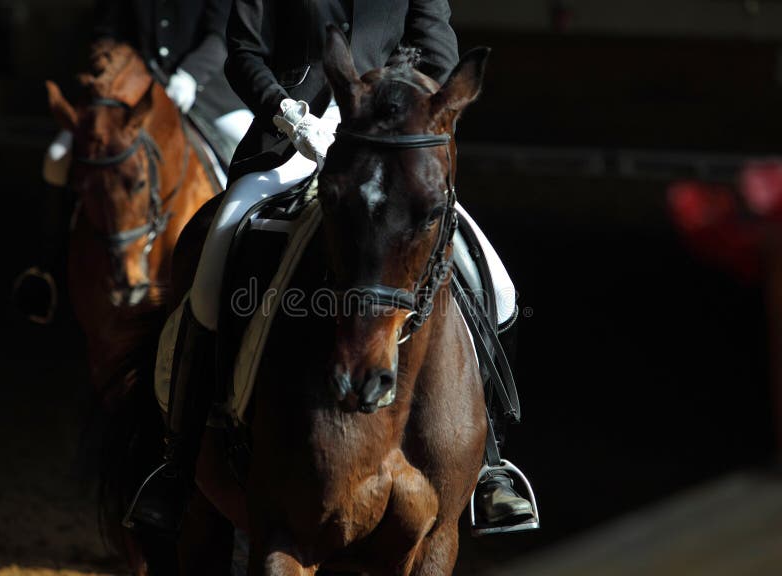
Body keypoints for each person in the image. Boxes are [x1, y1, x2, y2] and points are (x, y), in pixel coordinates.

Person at [124, 0, 534, 535]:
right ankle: (178, 461)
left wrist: (397, 104)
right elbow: (243, 52)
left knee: (494, 281)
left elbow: (438, 49)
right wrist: (287, 111)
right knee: (216, 256)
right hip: (290, 138)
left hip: (387, 139)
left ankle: (489, 466)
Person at [14, 0, 254, 322]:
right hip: (133, 95)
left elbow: (221, 34)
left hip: (206, 93)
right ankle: (47, 269)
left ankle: (248, 277)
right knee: (57, 159)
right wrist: (125, 72)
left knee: (250, 153)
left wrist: (189, 75)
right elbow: (107, 33)